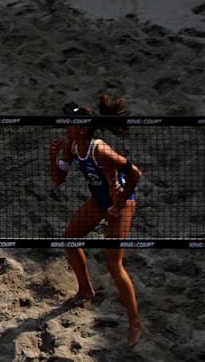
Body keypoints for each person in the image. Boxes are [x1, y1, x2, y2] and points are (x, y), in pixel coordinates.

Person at [49, 93, 145, 351]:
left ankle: (135, 323)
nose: (65, 125)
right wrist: (53, 156)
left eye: (69, 122)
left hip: (120, 202)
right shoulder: (72, 146)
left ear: (81, 127)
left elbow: (135, 174)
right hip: (99, 200)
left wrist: (120, 204)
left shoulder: (100, 150)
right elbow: (58, 180)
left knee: (114, 264)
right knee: (69, 239)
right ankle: (85, 290)